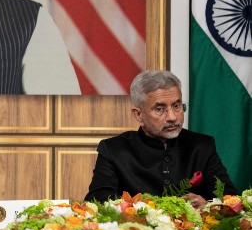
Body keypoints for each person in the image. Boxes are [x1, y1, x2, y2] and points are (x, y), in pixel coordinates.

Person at [85, 70, 238, 207]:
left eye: (176, 106)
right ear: (139, 115)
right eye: (159, 109)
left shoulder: (202, 146)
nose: (172, 117)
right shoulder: (113, 149)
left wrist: (208, 206)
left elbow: (231, 199)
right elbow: (97, 201)